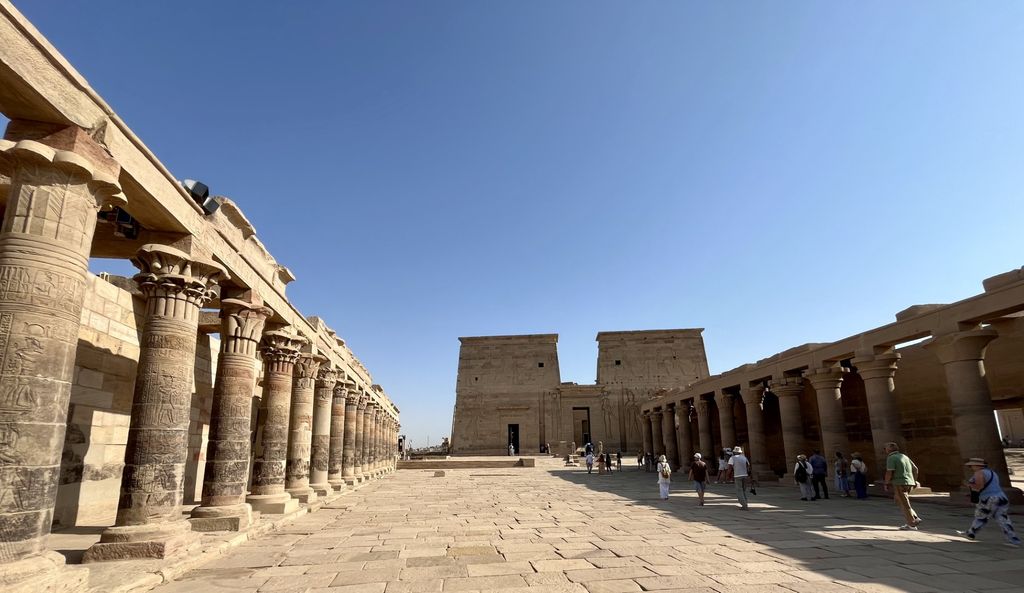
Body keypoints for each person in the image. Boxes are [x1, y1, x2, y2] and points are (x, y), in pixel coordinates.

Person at [959, 457, 1020, 546]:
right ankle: (1014, 539)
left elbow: (979, 486)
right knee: (1003, 519)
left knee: (981, 517)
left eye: (972, 465)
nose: (971, 467)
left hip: (989, 499)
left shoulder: (979, 473)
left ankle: (971, 533)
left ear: (977, 466)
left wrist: (968, 484)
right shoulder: (992, 473)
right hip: (1001, 497)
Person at [883, 441, 922, 530]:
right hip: (909, 482)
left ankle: (911, 524)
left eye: (885, 448)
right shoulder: (904, 456)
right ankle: (915, 517)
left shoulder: (891, 458)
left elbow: (889, 472)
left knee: (904, 503)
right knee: (899, 500)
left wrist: (886, 483)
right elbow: (915, 469)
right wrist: (914, 480)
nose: (884, 450)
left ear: (889, 450)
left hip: (899, 482)